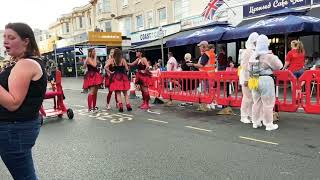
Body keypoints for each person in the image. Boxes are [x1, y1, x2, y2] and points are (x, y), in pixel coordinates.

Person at [0, 22, 47, 179]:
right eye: (4, 37)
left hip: (13, 130)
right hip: (16, 128)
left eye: (11, 37)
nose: (5, 41)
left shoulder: (25, 64)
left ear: (26, 41)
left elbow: (13, 103)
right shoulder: (21, 62)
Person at [248, 34, 283, 131]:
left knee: (256, 102)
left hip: (254, 79)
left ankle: (256, 122)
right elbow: (279, 66)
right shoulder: (269, 56)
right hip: (266, 80)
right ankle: (268, 124)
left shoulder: (253, 56)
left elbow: (248, 69)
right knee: (268, 103)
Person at [239, 32, 259, 124]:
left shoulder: (254, 51)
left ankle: (250, 115)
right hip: (247, 77)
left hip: (253, 77)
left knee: (252, 98)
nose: (256, 43)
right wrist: (246, 79)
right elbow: (244, 66)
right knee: (247, 98)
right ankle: (243, 116)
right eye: (255, 41)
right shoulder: (247, 51)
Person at [83, 48, 104, 112]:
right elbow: (94, 65)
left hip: (96, 75)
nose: (95, 52)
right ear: (90, 52)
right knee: (92, 92)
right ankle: (89, 108)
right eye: (93, 51)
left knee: (95, 92)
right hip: (91, 76)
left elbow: (97, 65)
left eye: (95, 51)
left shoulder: (92, 59)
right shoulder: (88, 58)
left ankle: (94, 107)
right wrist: (94, 58)